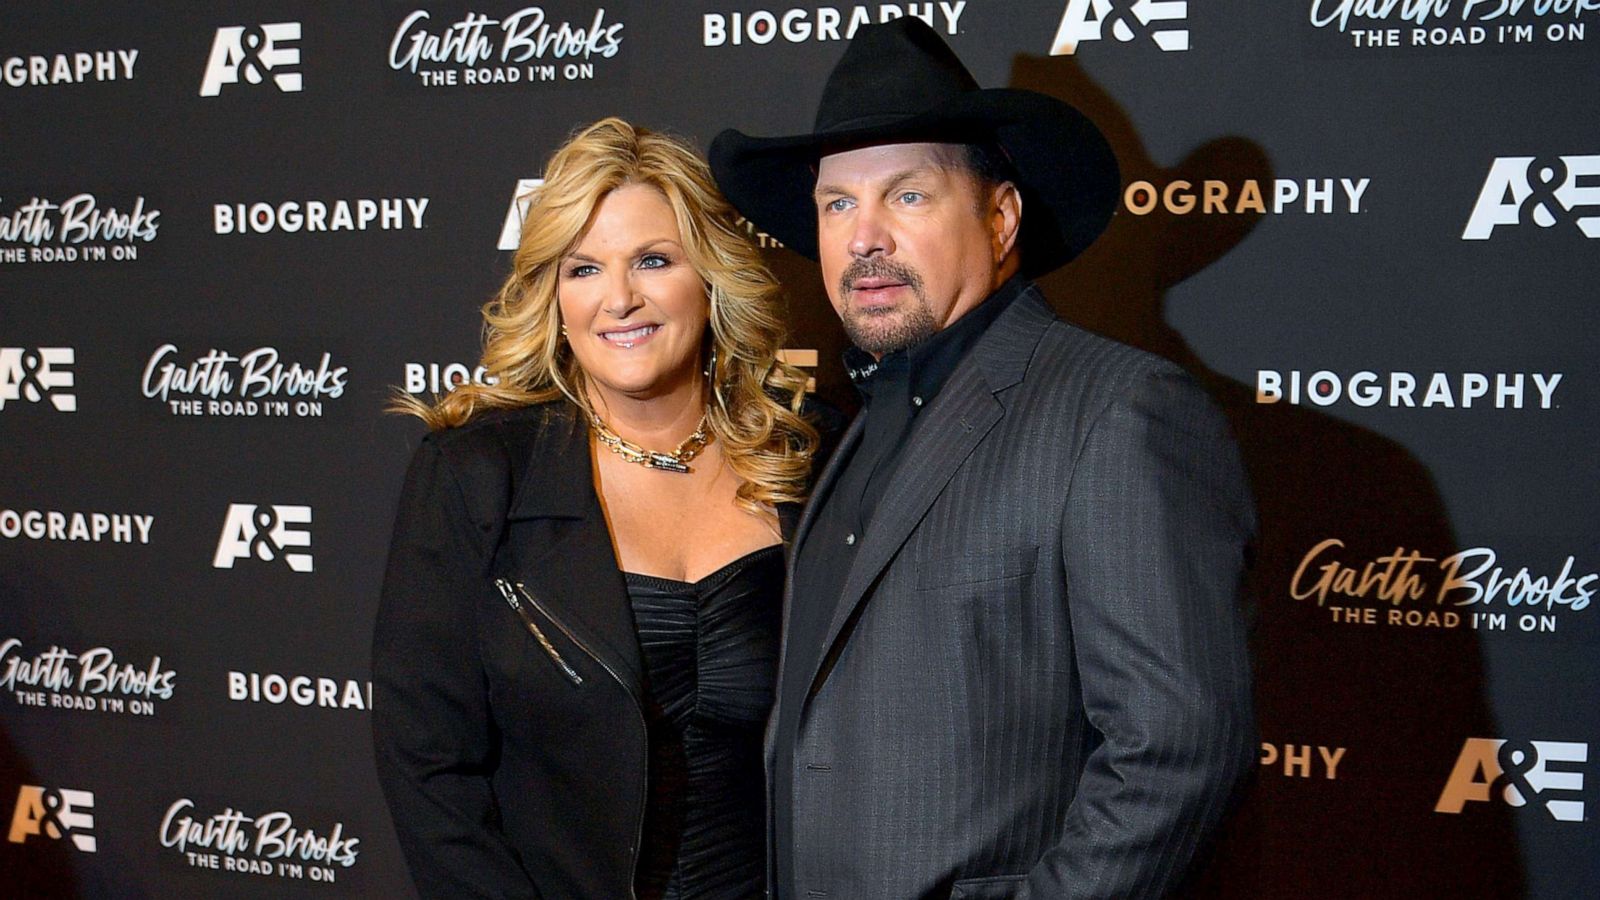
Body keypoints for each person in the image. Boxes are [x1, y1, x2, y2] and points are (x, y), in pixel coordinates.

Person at [709, 19, 1256, 900]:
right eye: (838, 204)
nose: (864, 238)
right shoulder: (855, 422)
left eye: (908, 196)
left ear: (1001, 219)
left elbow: (1177, 750)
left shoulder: (1118, 410)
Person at [372, 117, 825, 899]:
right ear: (553, 292)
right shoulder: (477, 475)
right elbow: (428, 771)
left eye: (653, 259)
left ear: (710, 277)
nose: (619, 299)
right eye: (583, 269)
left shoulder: (803, 461)